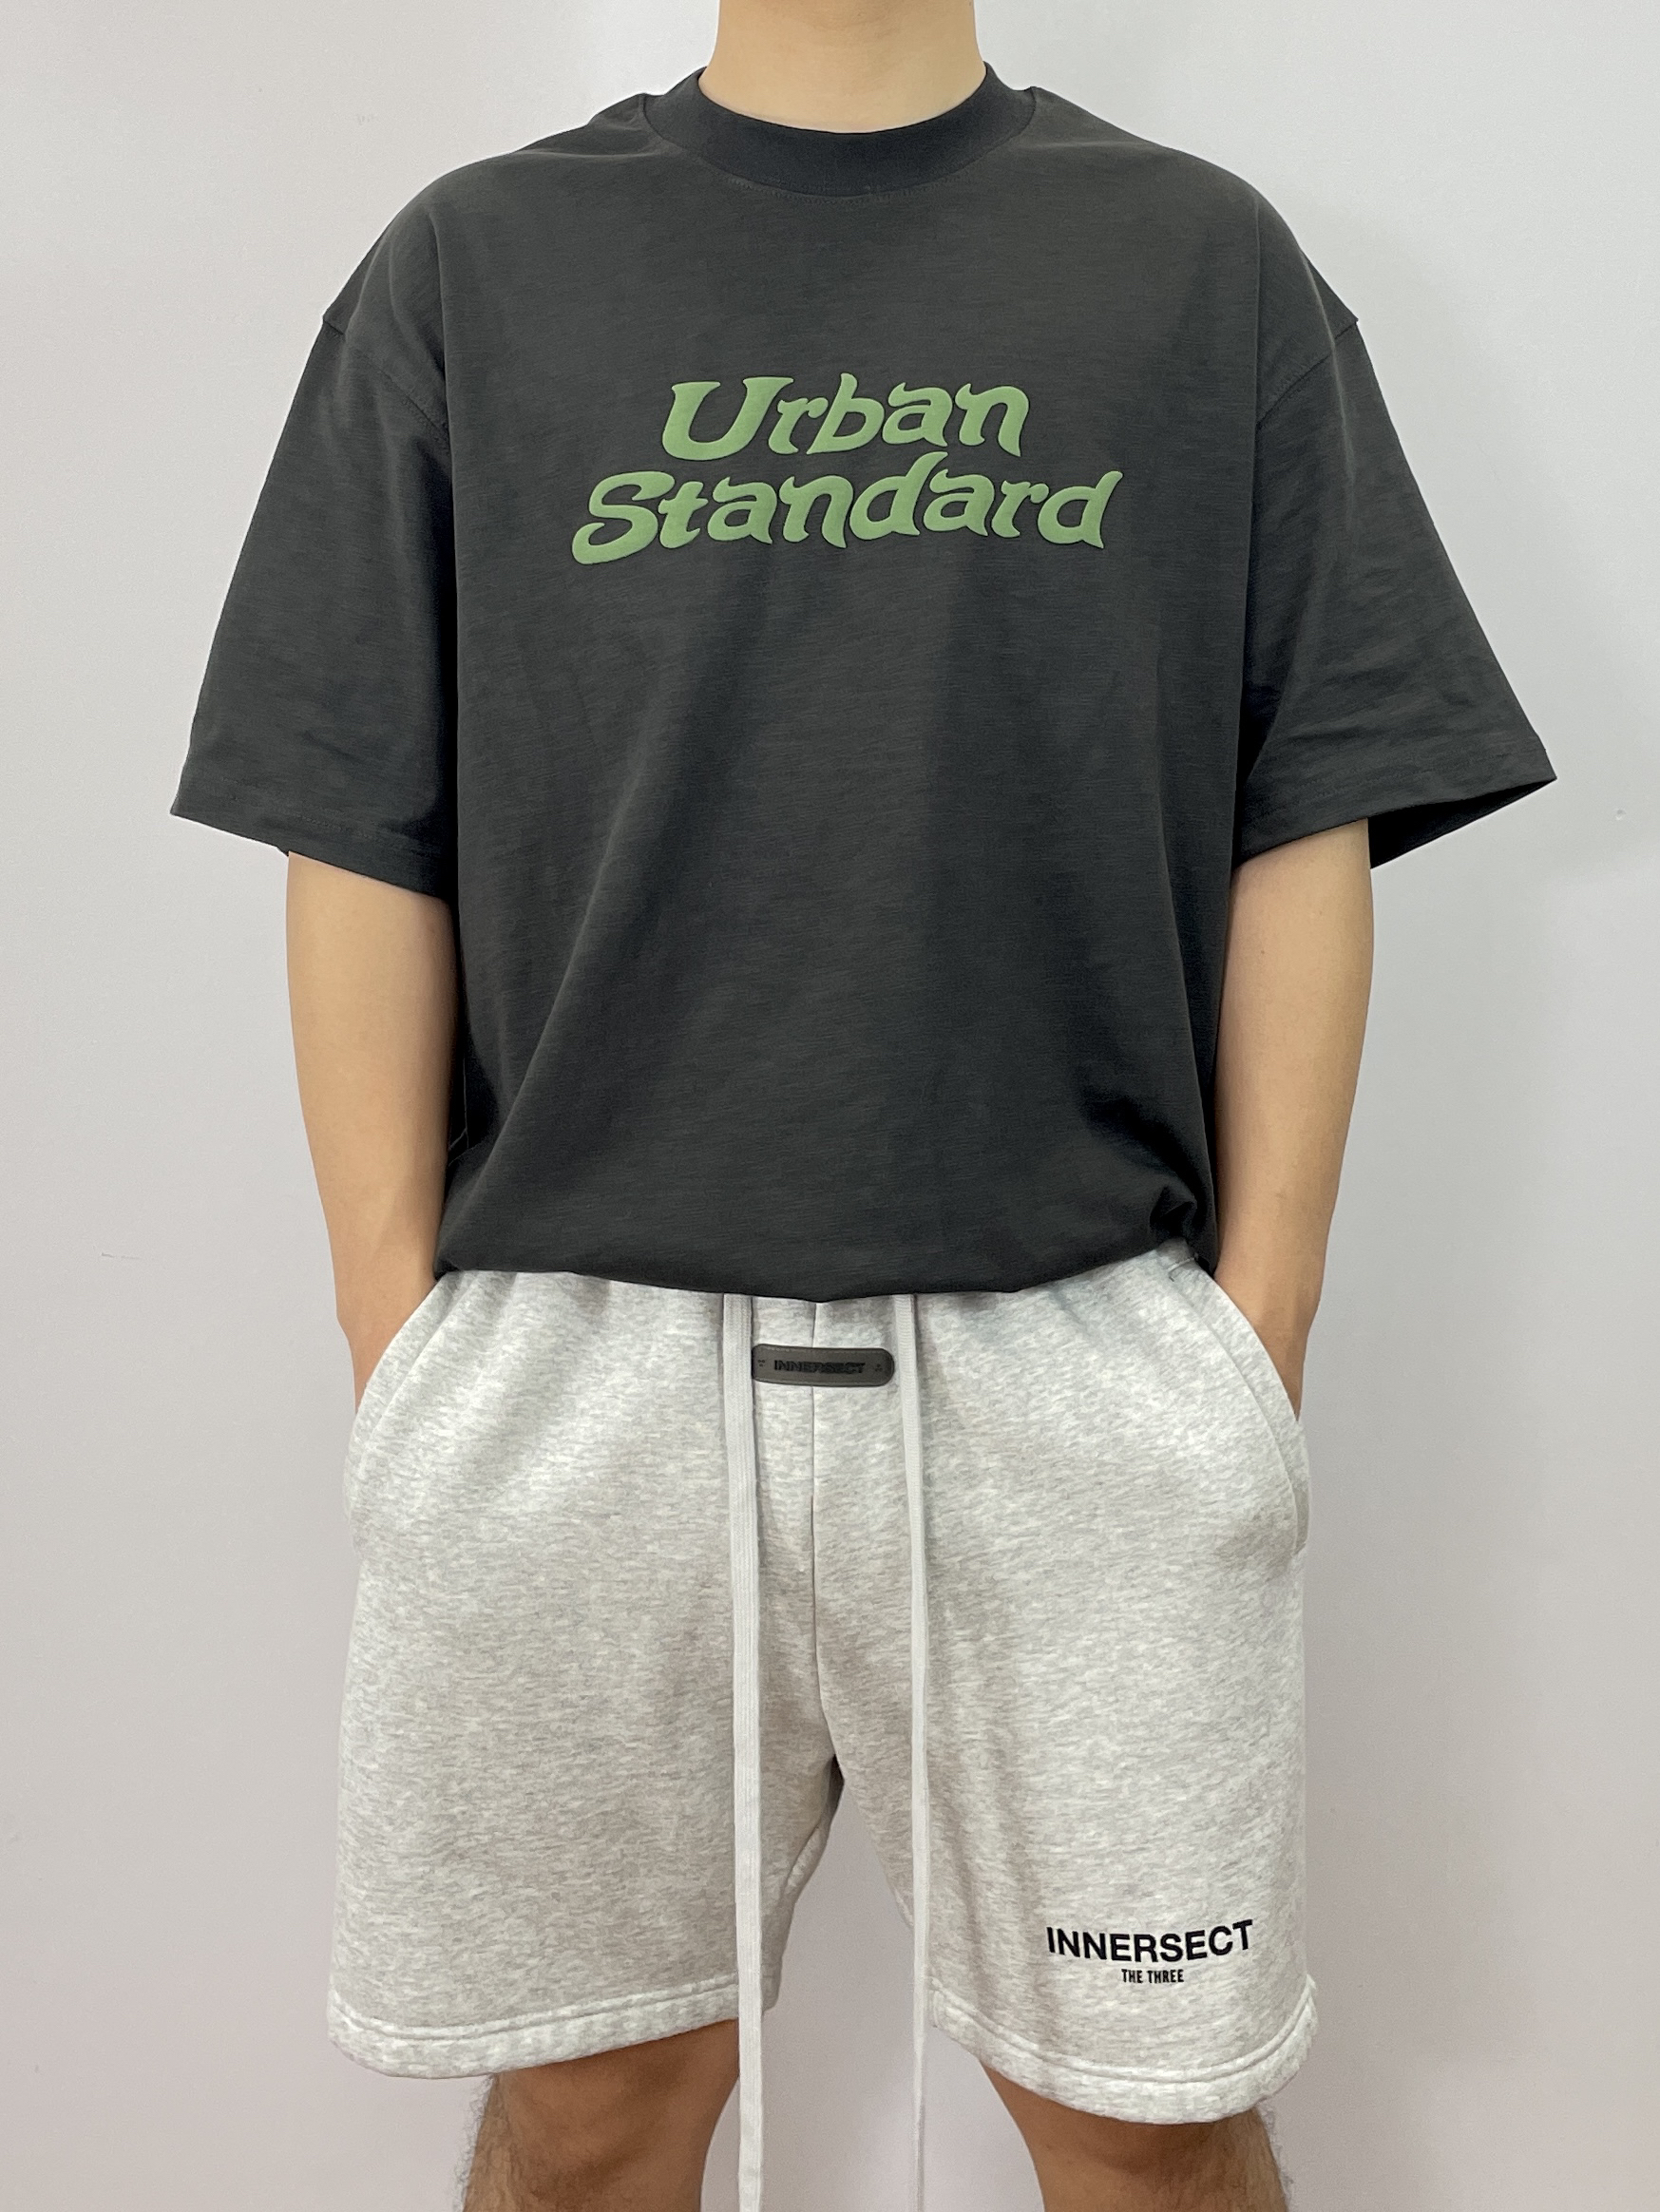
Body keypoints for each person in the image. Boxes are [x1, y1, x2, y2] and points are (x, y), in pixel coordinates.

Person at [170, 0, 1555, 2204]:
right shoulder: (475, 264)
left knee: (1147, 2132)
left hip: (1072, 1352)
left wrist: (1249, 1340)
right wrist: (401, 1345)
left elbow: (1310, 798)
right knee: (591, 2116)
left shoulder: (1197, 267)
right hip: (581, 1359)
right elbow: (356, 810)